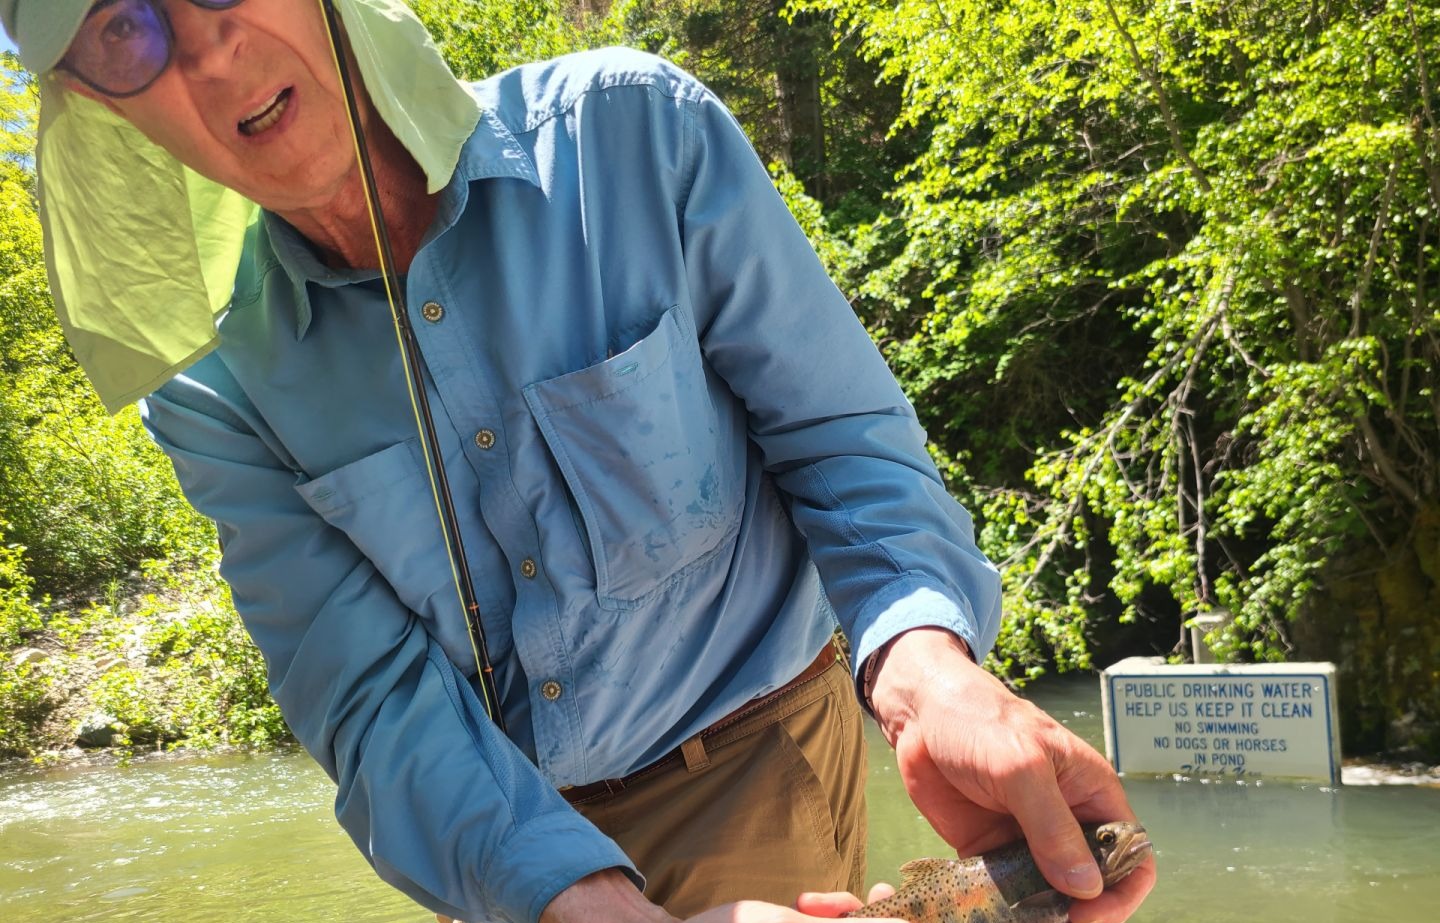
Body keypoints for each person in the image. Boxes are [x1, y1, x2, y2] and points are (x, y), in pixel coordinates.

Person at [0, 2, 1156, 922]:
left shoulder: (635, 132)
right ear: (96, 103)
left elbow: (837, 437)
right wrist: (574, 895)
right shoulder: (213, 386)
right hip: (502, 841)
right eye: (122, 31)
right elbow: (369, 697)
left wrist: (928, 672)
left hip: (755, 751)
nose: (209, 51)